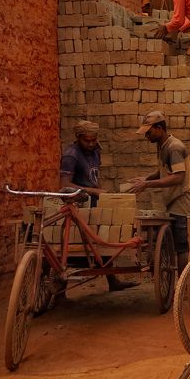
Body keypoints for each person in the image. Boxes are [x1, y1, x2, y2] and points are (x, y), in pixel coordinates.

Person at [60, 120, 134, 291]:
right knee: (71, 244)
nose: (91, 143)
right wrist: (92, 191)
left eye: (94, 140)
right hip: (77, 204)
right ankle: (60, 292)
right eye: (87, 140)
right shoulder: (71, 155)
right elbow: (64, 183)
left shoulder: (95, 150)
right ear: (78, 138)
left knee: (104, 236)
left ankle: (112, 280)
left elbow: (95, 175)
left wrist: (100, 192)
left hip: (93, 202)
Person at [128, 111, 190, 272]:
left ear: (159, 128)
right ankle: (178, 287)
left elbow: (177, 177)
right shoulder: (163, 145)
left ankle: (183, 286)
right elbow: (164, 171)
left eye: (149, 132)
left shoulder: (174, 148)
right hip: (173, 201)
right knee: (173, 244)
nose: (147, 136)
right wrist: (146, 179)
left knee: (181, 247)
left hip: (182, 202)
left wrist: (148, 185)